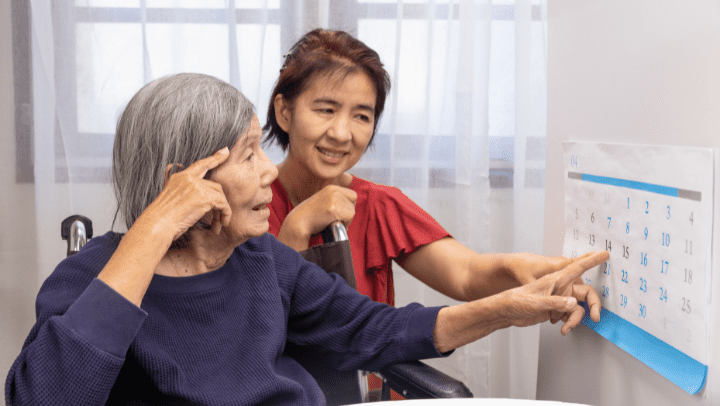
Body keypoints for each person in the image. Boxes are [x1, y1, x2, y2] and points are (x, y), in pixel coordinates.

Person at [5, 73, 608, 406]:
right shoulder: (90, 281)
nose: (269, 171)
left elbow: (374, 330)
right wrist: (154, 229)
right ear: (184, 186)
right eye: (247, 155)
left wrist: (506, 310)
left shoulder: (260, 260)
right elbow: (46, 399)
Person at [265, 28, 597, 314]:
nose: (341, 133)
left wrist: (532, 272)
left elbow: (465, 274)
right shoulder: (245, 205)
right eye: (326, 109)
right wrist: (296, 227)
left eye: (362, 116)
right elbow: (254, 324)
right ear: (284, 112)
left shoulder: (379, 205)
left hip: (364, 388)